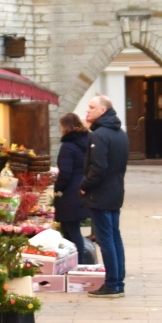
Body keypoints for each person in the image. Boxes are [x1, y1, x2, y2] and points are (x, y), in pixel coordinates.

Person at [80, 95, 129, 298]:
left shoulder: (99, 135)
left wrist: (84, 186)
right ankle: (118, 281)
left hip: (100, 194)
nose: (87, 111)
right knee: (115, 237)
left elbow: (98, 168)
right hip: (116, 191)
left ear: (102, 110)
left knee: (105, 238)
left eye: (91, 107)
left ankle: (111, 284)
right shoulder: (121, 134)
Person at [54, 112, 93, 264]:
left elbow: (65, 172)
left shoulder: (68, 146)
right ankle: (72, 261)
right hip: (82, 189)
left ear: (65, 126)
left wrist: (58, 190)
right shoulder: (88, 142)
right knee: (70, 228)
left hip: (69, 193)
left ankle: (79, 263)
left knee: (72, 230)